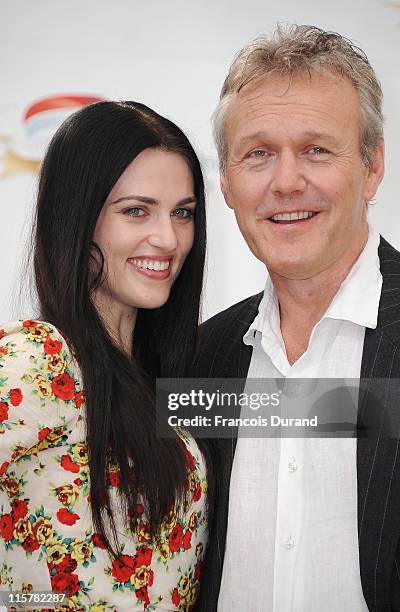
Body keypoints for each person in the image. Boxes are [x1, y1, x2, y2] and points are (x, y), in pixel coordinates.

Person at [193, 25, 400, 611]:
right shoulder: (200, 358)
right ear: (227, 181)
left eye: (317, 149)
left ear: (372, 166)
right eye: (258, 154)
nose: (286, 182)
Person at [0, 101, 211, 611]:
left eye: (182, 212)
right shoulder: (39, 360)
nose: (168, 238)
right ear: (78, 219)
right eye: (136, 210)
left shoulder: (166, 376)